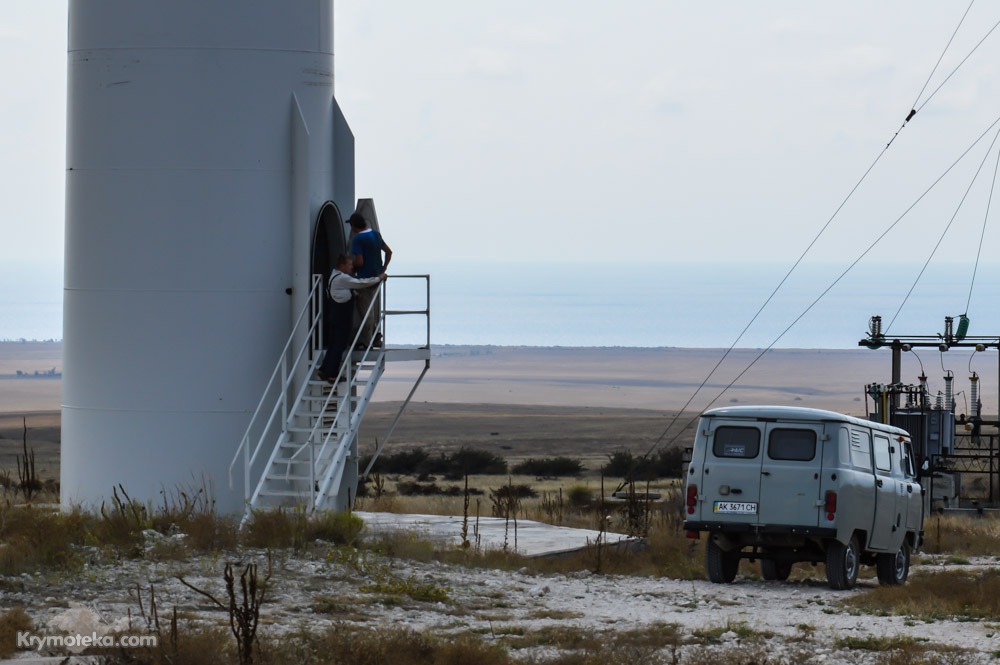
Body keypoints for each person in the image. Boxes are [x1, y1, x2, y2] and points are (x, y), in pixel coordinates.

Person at [317, 254, 387, 385]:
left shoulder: (335, 277)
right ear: (342, 265)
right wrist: (378, 278)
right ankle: (331, 374)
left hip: (335, 315)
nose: (351, 266)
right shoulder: (342, 278)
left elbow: (343, 291)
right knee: (339, 344)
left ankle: (325, 369)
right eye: (349, 264)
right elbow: (360, 283)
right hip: (340, 316)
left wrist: (353, 295)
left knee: (334, 344)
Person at [348, 212, 392, 347]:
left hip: (364, 280)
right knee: (371, 308)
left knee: (365, 310)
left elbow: (360, 262)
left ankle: (369, 340)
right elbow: (389, 252)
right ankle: (374, 336)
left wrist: (349, 266)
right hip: (376, 278)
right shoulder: (375, 234)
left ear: (354, 226)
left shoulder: (358, 239)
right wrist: (383, 269)